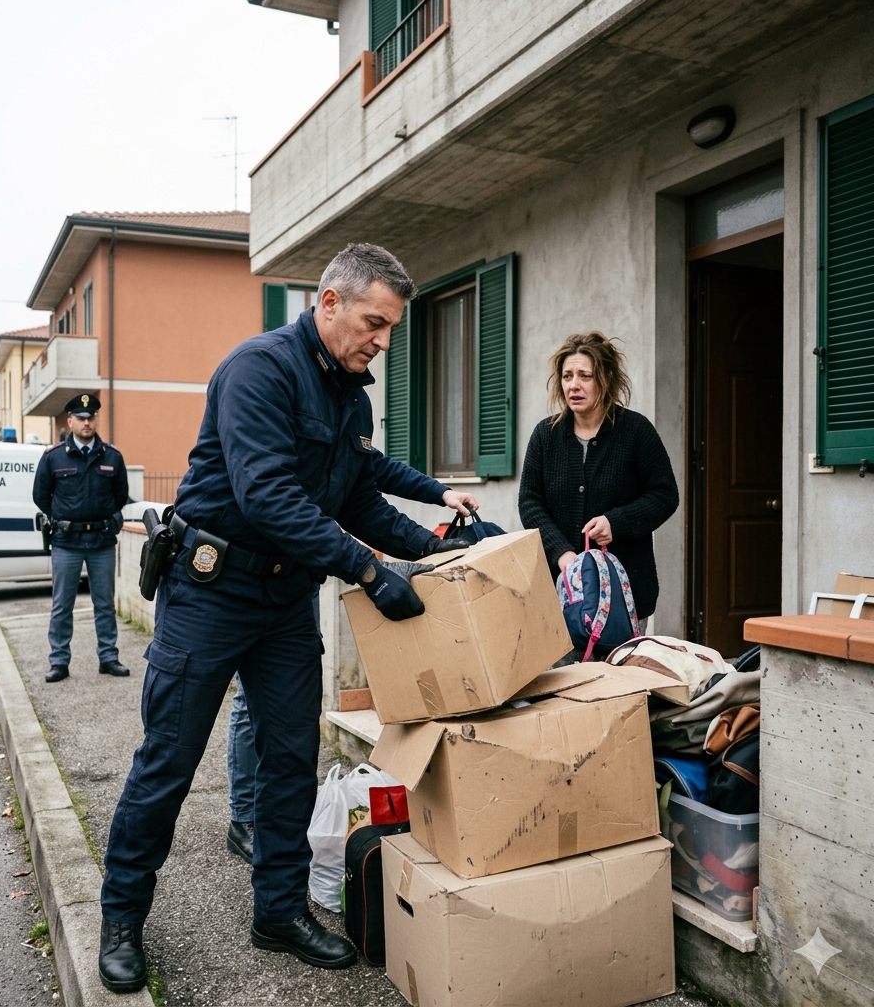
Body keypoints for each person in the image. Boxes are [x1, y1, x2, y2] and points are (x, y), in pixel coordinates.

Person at [97, 243, 470, 993]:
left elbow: (357, 500)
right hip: (210, 593)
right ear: (328, 302)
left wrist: (435, 544)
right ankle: (121, 916)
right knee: (169, 761)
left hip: (285, 601)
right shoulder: (257, 371)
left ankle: (278, 912)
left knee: (292, 760)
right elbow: (268, 495)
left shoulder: (350, 399)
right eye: (374, 322)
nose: (383, 341)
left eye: (392, 328)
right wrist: (367, 570)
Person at [226, 451, 478, 863]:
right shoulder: (281, 399)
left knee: (287, 704)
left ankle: (280, 822)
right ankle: (244, 817)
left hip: (297, 574)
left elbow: (373, 469)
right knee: (248, 700)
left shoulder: (343, 409)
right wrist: (367, 568)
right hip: (245, 574)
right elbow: (270, 490)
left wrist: (441, 494)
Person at [517, 332, 678, 629]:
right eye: (566, 376)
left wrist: (616, 522)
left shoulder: (635, 431)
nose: (573, 385)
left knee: (620, 674)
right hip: (560, 596)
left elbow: (664, 494)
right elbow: (530, 502)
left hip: (624, 596)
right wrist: (562, 554)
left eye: (584, 376)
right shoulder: (545, 436)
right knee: (565, 676)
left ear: (605, 380)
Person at [32, 393, 129, 684]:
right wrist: (63, 517)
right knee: (62, 605)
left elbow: (120, 496)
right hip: (66, 541)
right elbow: (41, 496)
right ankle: (59, 661)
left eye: (91, 418)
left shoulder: (112, 456)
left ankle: (108, 657)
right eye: (81, 418)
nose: (87, 423)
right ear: (70, 421)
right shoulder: (53, 457)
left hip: (101, 541)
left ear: (95, 420)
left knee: (105, 604)